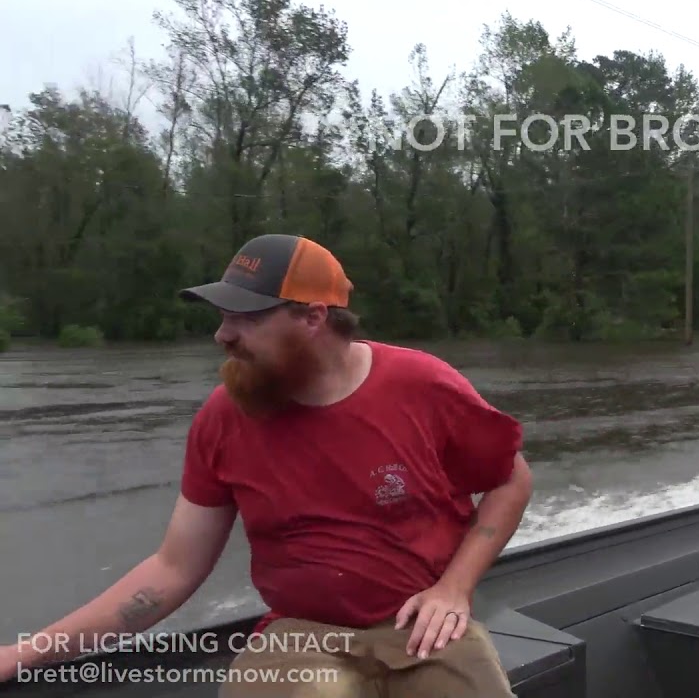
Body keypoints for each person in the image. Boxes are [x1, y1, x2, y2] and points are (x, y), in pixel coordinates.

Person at [0, 234, 534, 697]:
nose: (223, 335)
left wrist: (454, 588)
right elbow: (173, 569)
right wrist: (22, 654)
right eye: (222, 316)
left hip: (420, 622)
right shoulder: (223, 418)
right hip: (300, 634)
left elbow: (511, 479)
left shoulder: (422, 385)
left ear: (313, 317)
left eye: (246, 318)